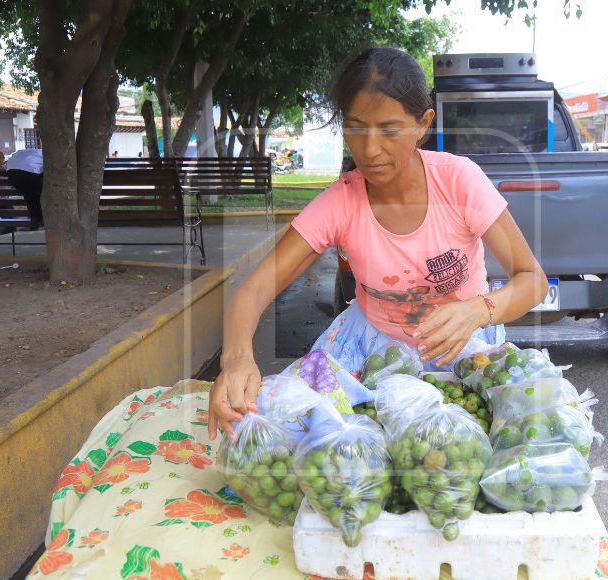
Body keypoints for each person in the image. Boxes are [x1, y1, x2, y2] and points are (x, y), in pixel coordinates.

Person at [207, 47, 548, 439]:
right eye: (355, 127)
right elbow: (254, 289)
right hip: (369, 349)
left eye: (389, 130)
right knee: (292, 436)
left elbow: (531, 280)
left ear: (423, 124)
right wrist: (235, 361)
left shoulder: (459, 183)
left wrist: (476, 311)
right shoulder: (340, 202)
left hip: (461, 347)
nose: (369, 150)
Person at [5, 148, 45, 228]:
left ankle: (35, 218)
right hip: (30, 173)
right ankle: (39, 218)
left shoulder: (34, 153)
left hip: (12, 174)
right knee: (38, 191)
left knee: (30, 193)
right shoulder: (45, 155)